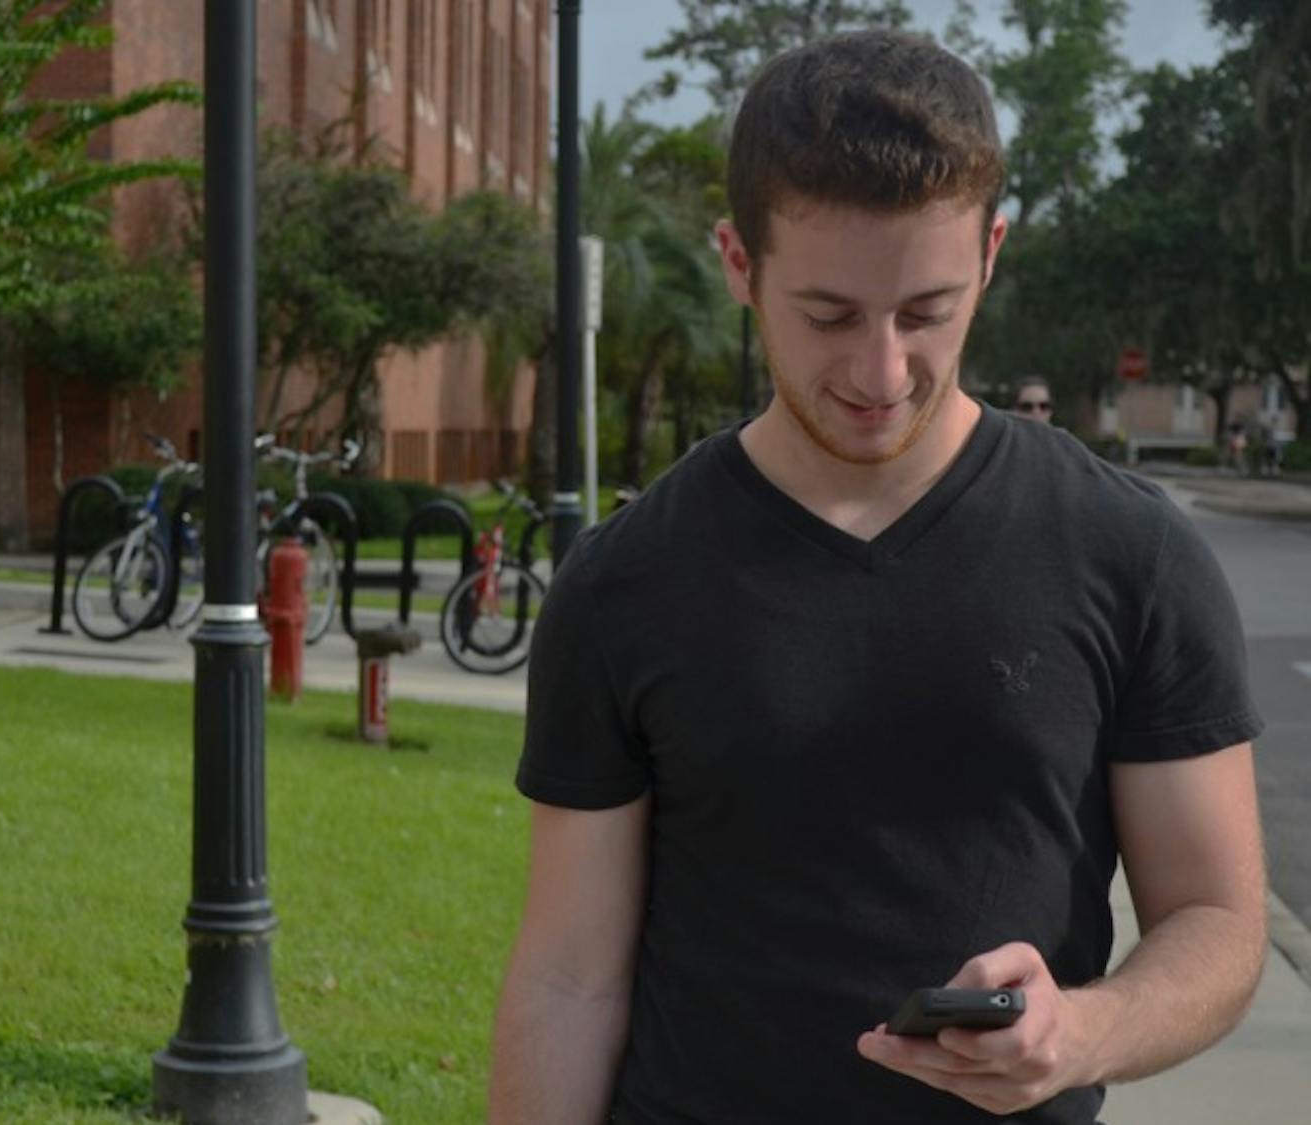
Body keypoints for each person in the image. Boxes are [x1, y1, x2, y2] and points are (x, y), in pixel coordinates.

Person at [488, 30, 1265, 1125]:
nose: (880, 370)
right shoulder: (626, 585)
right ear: (737, 264)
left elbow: (1219, 920)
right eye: (830, 316)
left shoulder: (1128, 553)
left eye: (925, 313)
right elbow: (570, 976)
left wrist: (1079, 1033)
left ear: (991, 253)